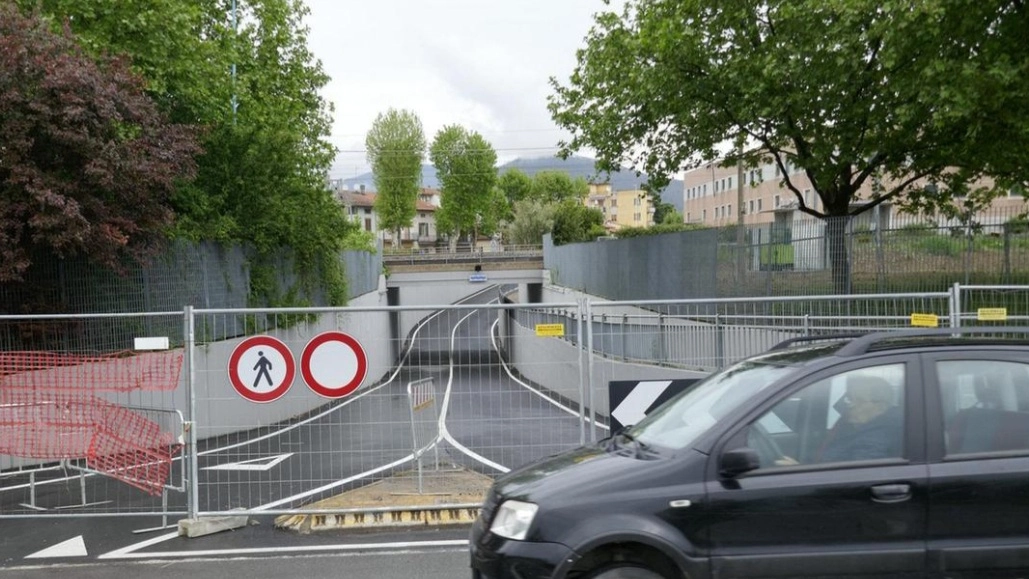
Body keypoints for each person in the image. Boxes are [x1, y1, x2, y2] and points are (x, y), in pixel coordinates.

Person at [818, 375, 902, 462]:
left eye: (859, 401)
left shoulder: (874, 441)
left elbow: (856, 473)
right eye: (850, 399)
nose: (851, 405)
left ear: (881, 407)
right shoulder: (856, 428)